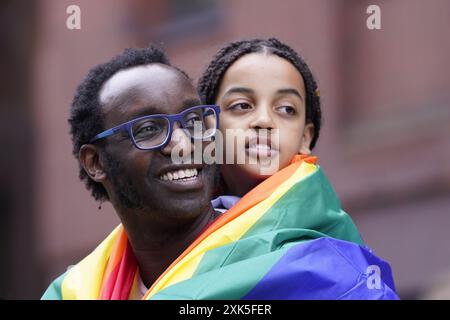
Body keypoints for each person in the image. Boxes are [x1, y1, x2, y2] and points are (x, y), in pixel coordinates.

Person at [159, 37, 398, 300]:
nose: (264, 121)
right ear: (208, 126)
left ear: (305, 138)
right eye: (242, 106)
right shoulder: (154, 243)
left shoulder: (341, 268)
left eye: (286, 109)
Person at [42, 45, 221, 299]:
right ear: (95, 162)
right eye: (148, 129)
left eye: (193, 121)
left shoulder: (276, 257)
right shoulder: (74, 293)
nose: (183, 144)